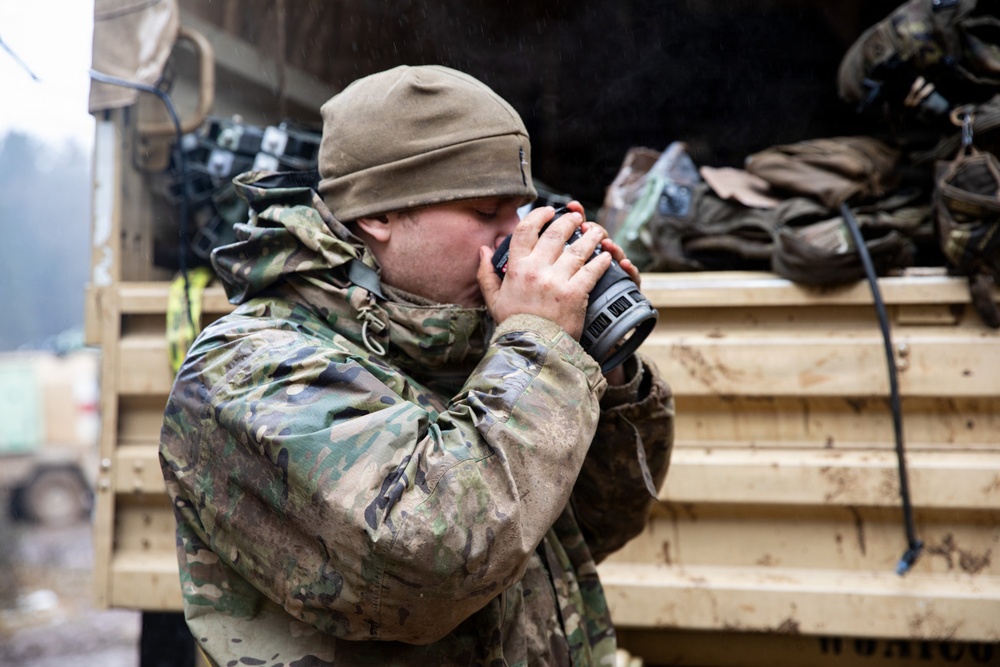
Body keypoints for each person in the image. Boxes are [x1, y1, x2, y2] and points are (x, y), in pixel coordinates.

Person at [159, 64, 674, 667]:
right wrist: (541, 350)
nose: (518, 237)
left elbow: (597, 521)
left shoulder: (474, 341)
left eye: (524, 209)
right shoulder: (247, 371)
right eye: (487, 212)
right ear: (378, 214)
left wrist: (599, 364)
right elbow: (435, 564)